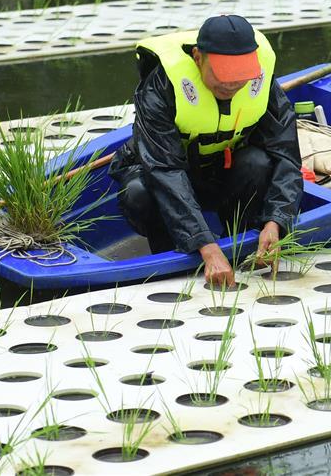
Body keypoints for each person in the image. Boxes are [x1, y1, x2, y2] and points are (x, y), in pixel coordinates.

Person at [108, 14, 303, 286]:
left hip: (219, 172)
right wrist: (205, 246)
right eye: (223, 76)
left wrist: (276, 221)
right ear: (198, 57)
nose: (231, 85)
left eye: (240, 77)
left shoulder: (261, 80)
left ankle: (243, 246)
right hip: (166, 176)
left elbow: (286, 156)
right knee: (137, 192)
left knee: (257, 162)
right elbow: (165, 170)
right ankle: (173, 259)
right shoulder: (162, 85)